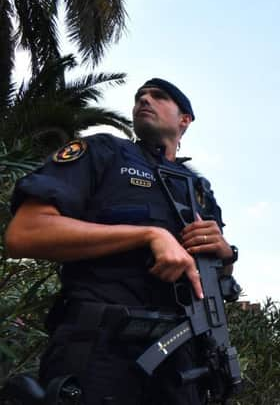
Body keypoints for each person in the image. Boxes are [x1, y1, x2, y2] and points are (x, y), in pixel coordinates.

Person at [5, 78, 238, 405]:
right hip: (100, 351)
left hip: (184, 365)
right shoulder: (103, 152)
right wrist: (148, 234)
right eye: (139, 96)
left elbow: (217, 280)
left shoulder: (198, 189)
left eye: (158, 97)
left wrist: (226, 256)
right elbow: (26, 233)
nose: (145, 100)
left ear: (185, 119)